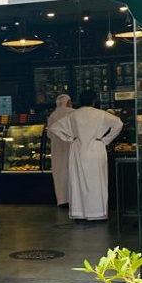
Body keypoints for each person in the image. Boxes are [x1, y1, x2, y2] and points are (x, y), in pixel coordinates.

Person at [48, 90, 123, 220]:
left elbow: (54, 128)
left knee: (79, 181)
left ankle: (80, 212)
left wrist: (70, 139)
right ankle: (98, 213)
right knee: (97, 181)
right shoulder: (100, 114)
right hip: (96, 148)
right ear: (94, 101)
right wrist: (106, 140)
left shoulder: (74, 115)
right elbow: (119, 123)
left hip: (78, 149)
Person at [46, 94, 75, 206]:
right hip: (71, 146)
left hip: (57, 148)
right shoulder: (73, 112)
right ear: (67, 102)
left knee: (59, 172)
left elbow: (49, 134)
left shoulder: (53, 115)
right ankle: (73, 198)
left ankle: (62, 199)